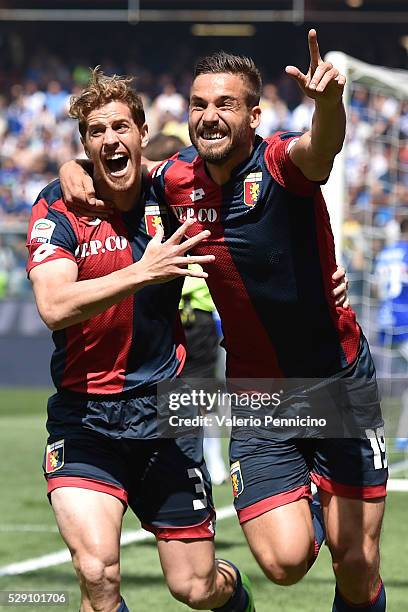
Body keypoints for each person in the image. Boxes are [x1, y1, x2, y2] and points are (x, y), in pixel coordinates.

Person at [60, 30, 378, 612]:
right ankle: (307, 505)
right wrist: (71, 166)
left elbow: (321, 147)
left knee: (355, 563)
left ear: (254, 115)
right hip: (258, 394)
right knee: (284, 564)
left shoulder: (282, 162)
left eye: (225, 104)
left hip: (338, 383)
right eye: (199, 105)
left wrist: (328, 103)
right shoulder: (176, 179)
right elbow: (119, 167)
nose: (209, 116)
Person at [26, 70, 256, 612]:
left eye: (120, 127)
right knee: (97, 571)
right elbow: (54, 307)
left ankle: (237, 598)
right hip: (85, 421)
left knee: (195, 588)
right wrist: (143, 270)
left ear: (142, 132)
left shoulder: (170, 192)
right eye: (95, 132)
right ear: (85, 145)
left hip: (163, 417)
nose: (110, 140)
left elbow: (247, 179)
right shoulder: (59, 207)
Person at [375, 216, 408, 450]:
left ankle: (403, 435)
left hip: (385, 321)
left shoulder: (385, 254)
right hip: (405, 321)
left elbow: (376, 288)